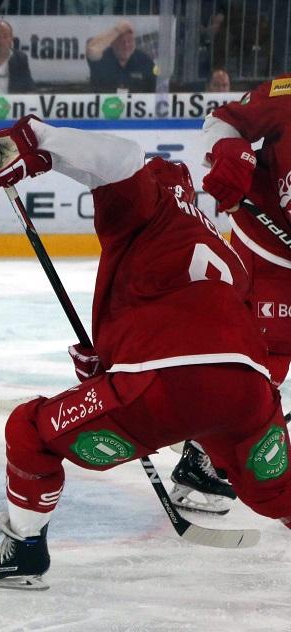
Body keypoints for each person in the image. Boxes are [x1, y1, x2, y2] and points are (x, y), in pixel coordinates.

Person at [0, 115, 289, 590]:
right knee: (279, 492)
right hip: (247, 390)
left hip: (161, 386)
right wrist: (114, 360)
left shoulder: (148, 203)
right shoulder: (227, 253)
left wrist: (36, 140)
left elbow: (121, 158)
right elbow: (213, 337)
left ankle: (21, 548)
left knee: (29, 430)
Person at [169, 73, 291, 514]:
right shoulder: (287, 96)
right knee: (263, 357)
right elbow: (223, 121)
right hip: (264, 244)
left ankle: (207, 441)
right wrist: (232, 156)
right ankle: (204, 455)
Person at [86, 19, 157, 93]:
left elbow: (157, 88)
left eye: (130, 41)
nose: (126, 45)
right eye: (121, 41)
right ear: (112, 43)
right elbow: (91, 49)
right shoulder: (102, 58)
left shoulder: (145, 61)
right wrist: (116, 30)